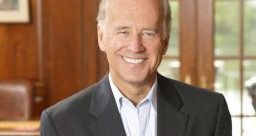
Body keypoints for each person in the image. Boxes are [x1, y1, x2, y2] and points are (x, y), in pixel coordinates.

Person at [40, 0, 232, 135]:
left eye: (148, 33)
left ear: (165, 41)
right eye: (123, 32)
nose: (135, 46)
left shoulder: (210, 112)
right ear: (101, 37)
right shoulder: (61, 123)